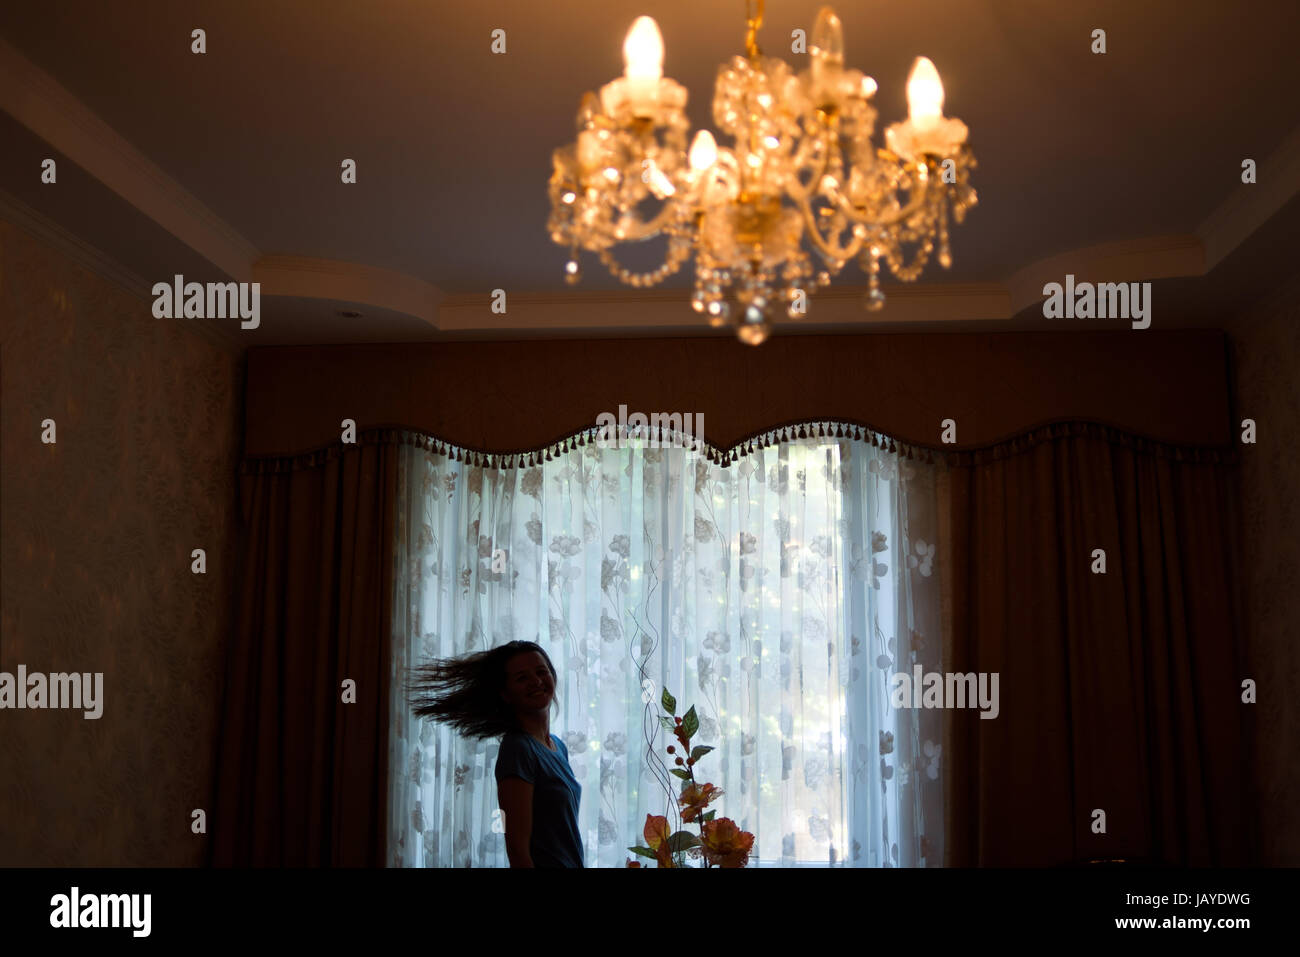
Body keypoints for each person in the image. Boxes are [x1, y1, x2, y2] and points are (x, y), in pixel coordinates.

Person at [406, 640, 584, 868]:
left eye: (541, 671)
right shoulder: (518, 749)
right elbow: (517, 850)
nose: (536, 681)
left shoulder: (558, 747)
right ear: (505, 694)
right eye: (522, 678)